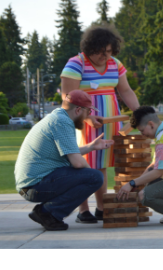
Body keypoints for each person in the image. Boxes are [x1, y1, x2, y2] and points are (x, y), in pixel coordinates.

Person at [59, 25, 140, 224]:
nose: (105, 56)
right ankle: (85, 209)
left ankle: (102, 208)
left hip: (111, 121)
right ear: (90, 48)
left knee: (103, 163)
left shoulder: (115, 64)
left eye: (109, 52)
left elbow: (126, 91)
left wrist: (140, 113)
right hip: (81, 121)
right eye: (101, 52)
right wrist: (86, 118)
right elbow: (67, 98)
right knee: (86, 163)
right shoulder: (76, 63)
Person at [14, 90, 113, 231]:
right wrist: (90, 174)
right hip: (33, 187)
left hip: (29, 186)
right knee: (95, 177)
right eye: (88, 111)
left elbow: (68, 152)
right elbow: (78, 163)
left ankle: (48, 210)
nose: (89, 115)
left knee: (89, 175)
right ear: (78, 110)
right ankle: (48, 212)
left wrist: (91, 147)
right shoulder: (62, 122)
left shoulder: (57, 118)